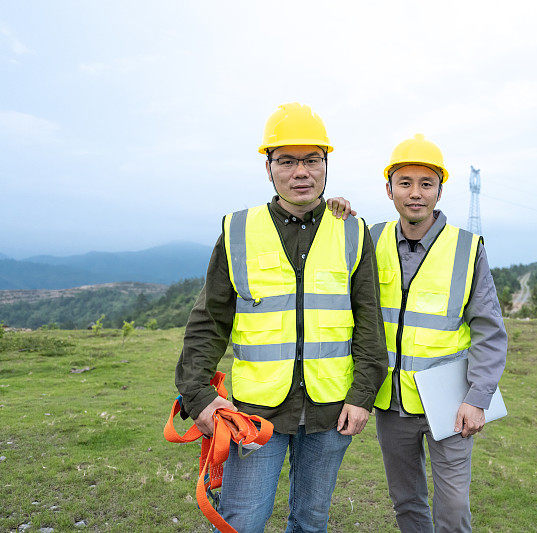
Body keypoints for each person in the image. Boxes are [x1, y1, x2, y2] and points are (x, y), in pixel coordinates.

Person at [174, 102, 387, 533]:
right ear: (268, 168)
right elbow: (209, 320)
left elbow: (369, 323)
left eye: (312, 160)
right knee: (242, 521)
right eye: (287, 161)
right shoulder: (238, 230)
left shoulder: (351, 229)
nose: (301, 172)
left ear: (326, 165)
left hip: (331, 413)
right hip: (255, 415)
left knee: (310, 521)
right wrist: (197, 395)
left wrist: (362, 394)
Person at [371, 134, 507, 532]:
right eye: (405, 183)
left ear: (439, 190)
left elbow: (489, 330)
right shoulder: (370, 239)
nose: (416, 194)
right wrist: (335, 210)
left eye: (426, 184)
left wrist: (477, 398)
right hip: (390, 402)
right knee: (406, 503)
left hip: (451, 404)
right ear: (389, 189)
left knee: (451, 508)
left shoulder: (467, 248)